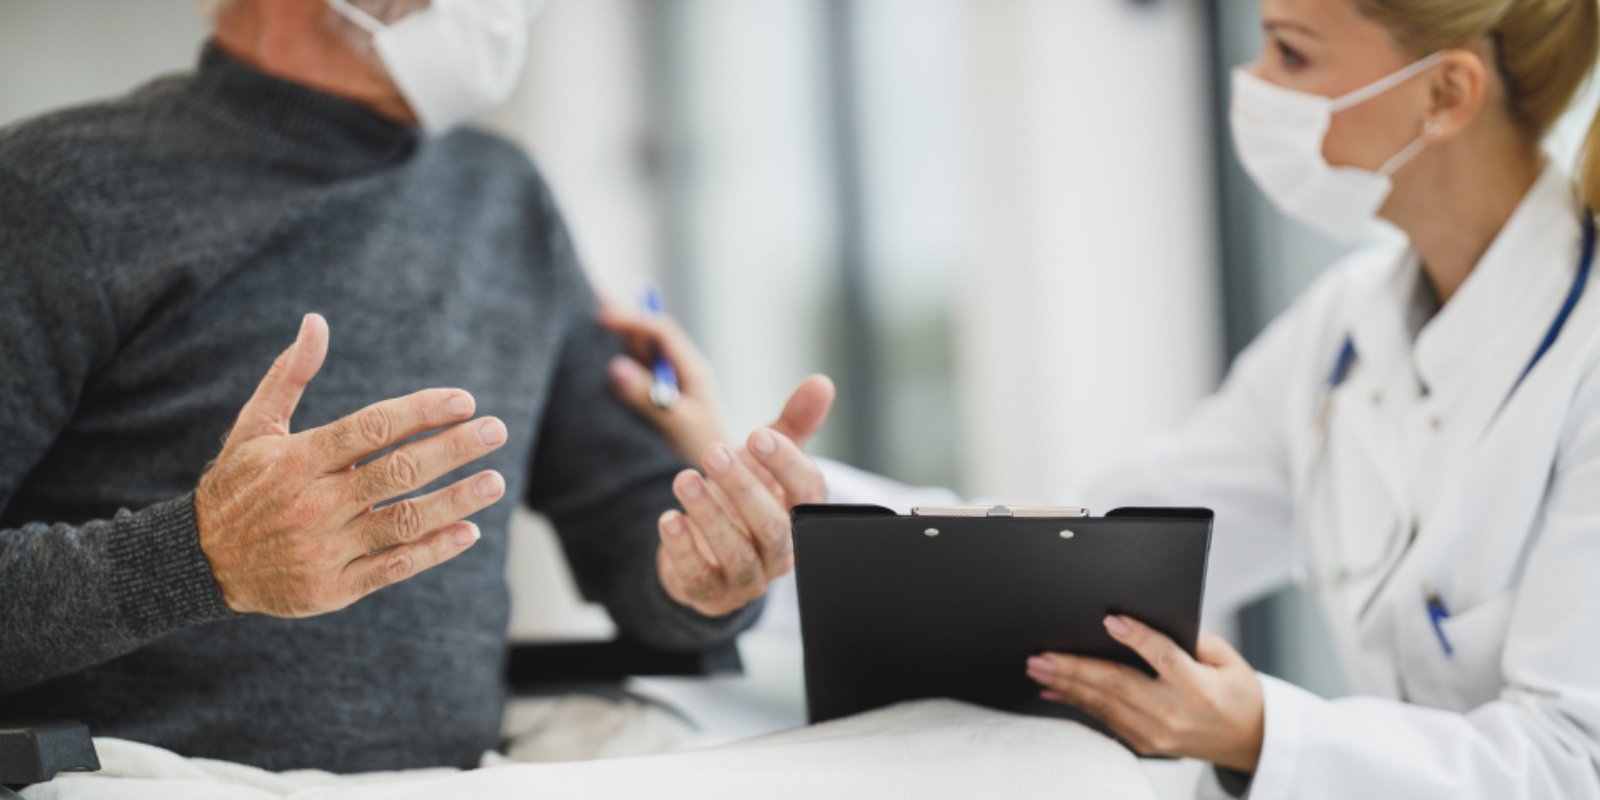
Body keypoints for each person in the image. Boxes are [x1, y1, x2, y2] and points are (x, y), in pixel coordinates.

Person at [600, 0, 1600, 796]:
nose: (1254, 88)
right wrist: (790, 510)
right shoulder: (1345, 326)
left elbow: (1574, 763)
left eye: (1292, 55)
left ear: (1444, 94)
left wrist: (1259, 729)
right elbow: (1073, 551)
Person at [0, 0, 832, 774]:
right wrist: (197, 557)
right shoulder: (51, 194)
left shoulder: (507, 199)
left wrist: (711, 570)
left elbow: (638, 539)